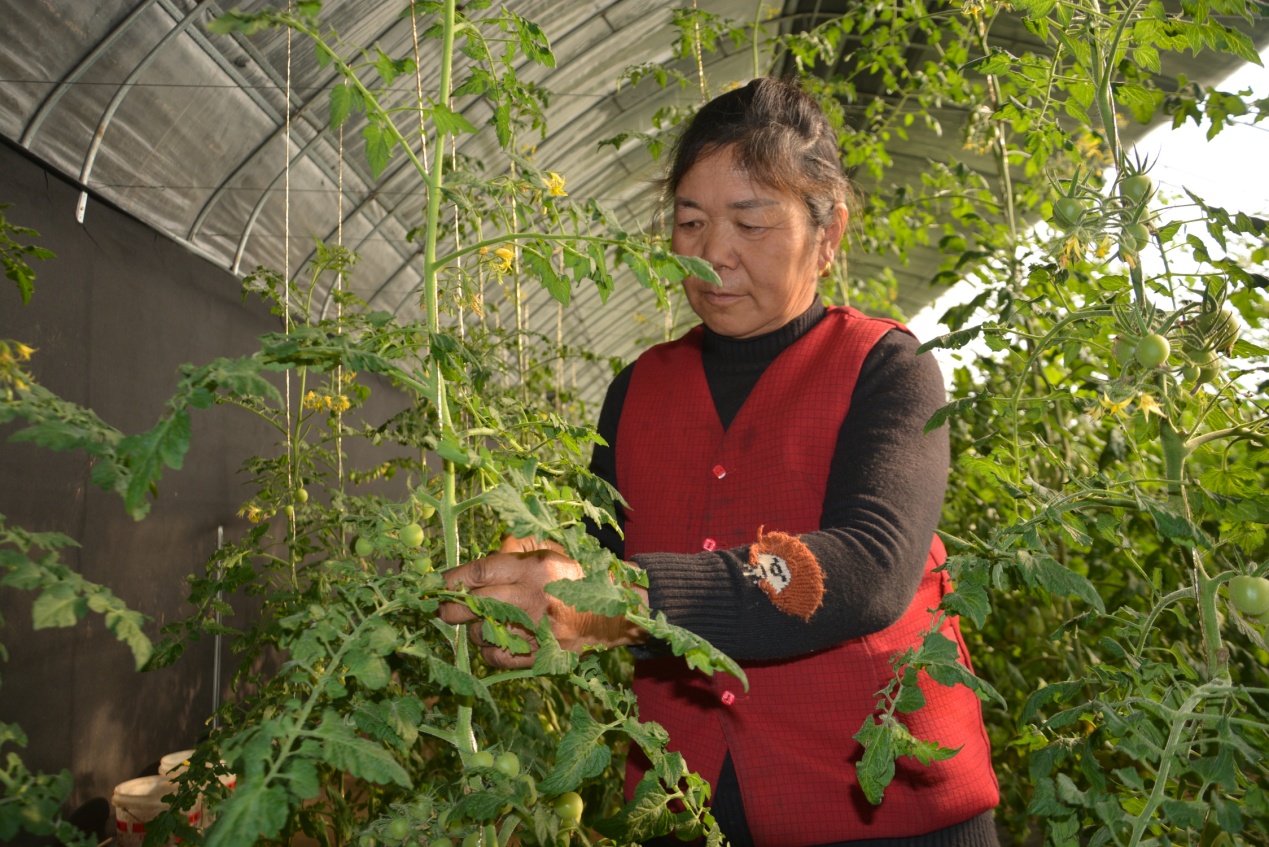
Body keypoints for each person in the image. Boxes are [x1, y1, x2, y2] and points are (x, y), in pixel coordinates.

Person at [439, 77, 999, 847]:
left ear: (827, 232)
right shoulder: (639, 389)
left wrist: (626, 593)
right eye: (690, 221)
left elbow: (866, 566)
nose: (713, 254)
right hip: (686, 802)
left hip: (882, 810)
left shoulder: (885, 366)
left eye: (751, 221)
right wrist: (542, 609)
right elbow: (601, 572)